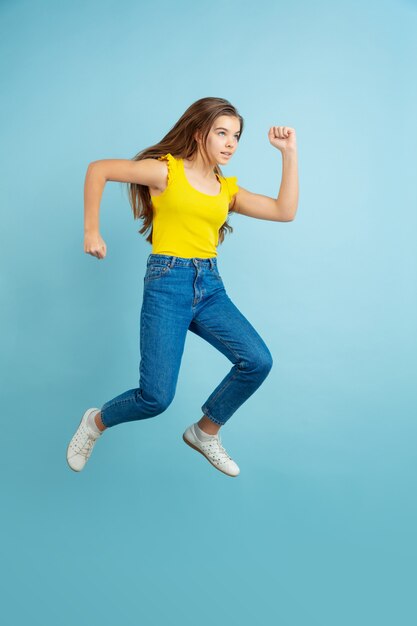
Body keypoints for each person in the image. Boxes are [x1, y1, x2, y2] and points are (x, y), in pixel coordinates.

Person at [66, 96, 299, 478]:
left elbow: (284, 211)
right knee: (155, 398)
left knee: (257, 361)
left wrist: (288, 153)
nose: (229, 143)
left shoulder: (227, 189)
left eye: (236, 136)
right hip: (167, 283)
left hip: (209, 287)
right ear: (198, 132)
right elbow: (98, 170)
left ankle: (206, 432)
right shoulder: (166, 173)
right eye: (221, 133)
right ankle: (96, 422)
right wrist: (92, 230)